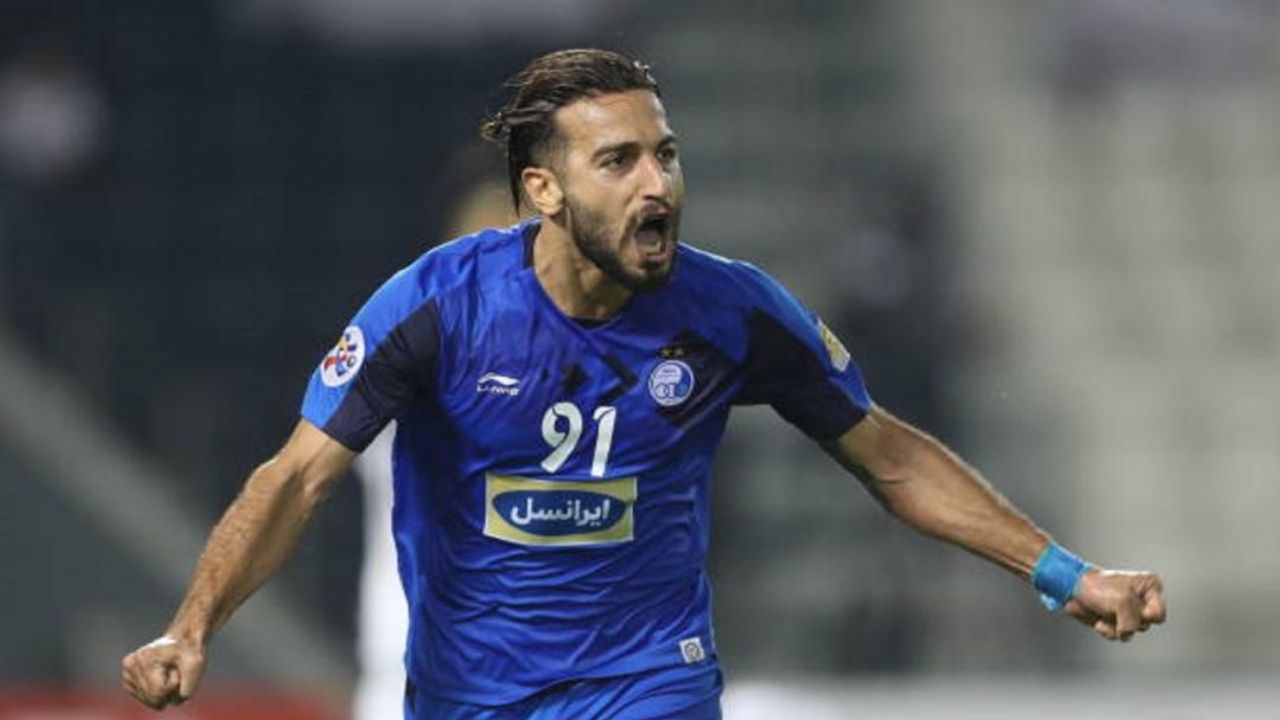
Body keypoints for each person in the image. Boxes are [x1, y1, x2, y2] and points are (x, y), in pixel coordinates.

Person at [121, 48, 1166, 719]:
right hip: (471, 693)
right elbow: (297, 478)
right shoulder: (435, 307)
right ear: (543, 190)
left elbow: (888, 458)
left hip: (650, 679)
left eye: (665, 154)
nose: (657, 183)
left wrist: (1064, 573)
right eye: (618, 161)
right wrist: (192, 626)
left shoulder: (731, 310)